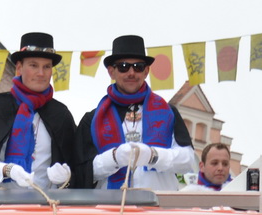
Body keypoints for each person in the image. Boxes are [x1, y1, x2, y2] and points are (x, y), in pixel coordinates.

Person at [74, 36, 196, 191]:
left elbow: (187, 160)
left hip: (158, 208)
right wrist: (113, 158)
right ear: (111, 72)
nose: (131, 72)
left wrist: (153, 156)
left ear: (146, 71)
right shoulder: (92, 119)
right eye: (123, 66)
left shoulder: (168, 112)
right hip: (111, 209)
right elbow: (81, 172)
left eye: (138, 66)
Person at [0, 33, 76, 191]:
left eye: (47, 67)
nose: (41, 73)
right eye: (33, 65)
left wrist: (66, 176)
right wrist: (7, 170)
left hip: (46, 208)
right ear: (19, 68)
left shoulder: (61, 115)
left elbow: (77, 168)